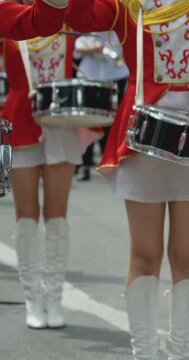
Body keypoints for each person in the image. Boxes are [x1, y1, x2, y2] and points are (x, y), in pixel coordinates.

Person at [66, 0, 189, 358]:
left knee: (187, 255)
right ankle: (144, 353)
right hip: (142, 132)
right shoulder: (126, 3)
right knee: (144, 253)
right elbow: (80, 17)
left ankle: (180, 352)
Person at [4, 0, 90, 330]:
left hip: (62, 119)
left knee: (57, 213)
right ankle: (32, 298)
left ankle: (53, 297)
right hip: (20, 116)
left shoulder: (65, 9)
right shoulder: (8, 11)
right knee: (26, 214)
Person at [74, 32, 130, 181]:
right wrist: (91, 49)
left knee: (112, 122)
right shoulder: (89, 26)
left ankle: (110, 162)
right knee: (87, 120)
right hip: (89, 74)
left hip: (116, 73)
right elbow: (76, 50)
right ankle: (85, 164)